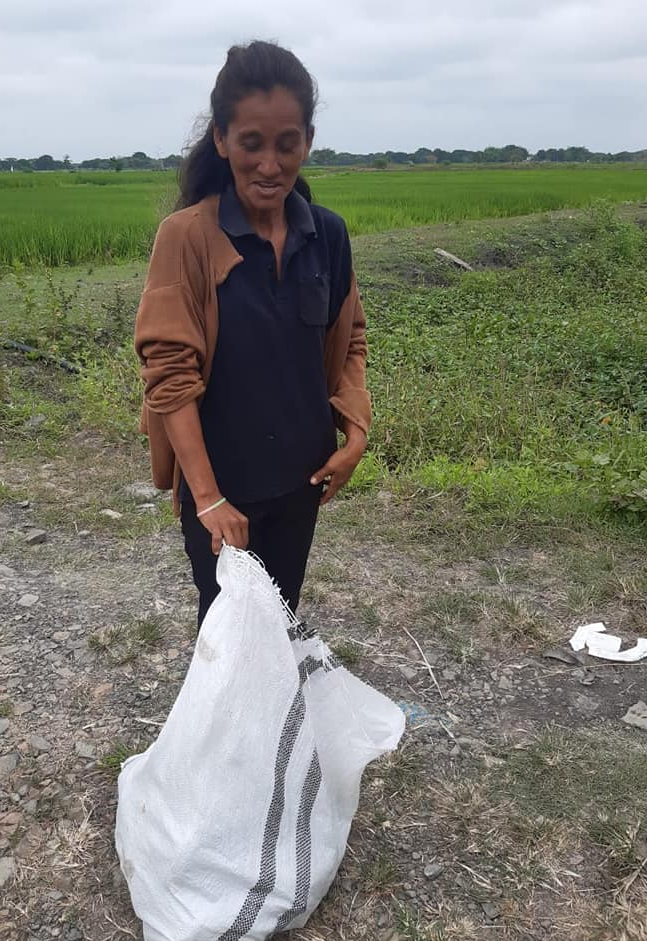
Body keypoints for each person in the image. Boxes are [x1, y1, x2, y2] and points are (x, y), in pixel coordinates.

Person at [134, 40, 371, 627]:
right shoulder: (188, 238)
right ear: (221, 140)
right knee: (227, 633)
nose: (270, 165)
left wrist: (355, 432)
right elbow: (170, 376)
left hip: (301, 480)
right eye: (251, 144)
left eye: (286, 144)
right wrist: (209, 498)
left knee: (281, 617)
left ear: (307, 140)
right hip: (223, 484)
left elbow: (350, 339)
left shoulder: (328, 236)